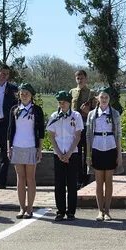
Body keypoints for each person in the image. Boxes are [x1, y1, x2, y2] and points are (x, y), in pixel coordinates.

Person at [86, 87, 123, 221]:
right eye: (101, 97)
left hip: (110, 147)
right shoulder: (92, 114)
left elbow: (118, 134)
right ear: (97, 98)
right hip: (97, 147)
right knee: (98, 182)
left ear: (109, 99)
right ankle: (99, 210)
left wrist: (119, 154)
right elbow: (88, 134)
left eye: (106, 97)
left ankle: (107, 210)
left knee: (109, 181)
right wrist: (88, 155)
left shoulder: (115, 113)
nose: (104, 100)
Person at [7, 83, 44, 219]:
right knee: (20, 178)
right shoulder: (14, 109)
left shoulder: (37, 110)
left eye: (26, 93)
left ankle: (30, 208)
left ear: (31, 95)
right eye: (22, 93)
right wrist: (8, 147)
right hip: (17, 146)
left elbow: (41, 131)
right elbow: (10, 130)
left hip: (31, 146)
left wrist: (39, 149)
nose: (24, 96)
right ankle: (21, 208)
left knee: (30, 178)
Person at [47, 91, 83, 221]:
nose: (62, 105)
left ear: (69, 102)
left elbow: (77, 136)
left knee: (72, 183)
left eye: (64, 102)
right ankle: (60, 211)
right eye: (60, 102)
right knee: (59, 183)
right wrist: (58, 152)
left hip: (71, 153)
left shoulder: (76, 116)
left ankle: (71, 211)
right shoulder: (54, 116)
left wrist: (68, 153)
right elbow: (51, 136)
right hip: (58, 154)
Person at [70, 69, 96, 188]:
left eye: (82, 78)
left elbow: (96, 112)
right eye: (78, 78)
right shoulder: (72, 92)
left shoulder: (91, 93)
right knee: (76, 153)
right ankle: (77, 178)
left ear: (86, 79)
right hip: (74, 127)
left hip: (86, 125)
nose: (80, 80)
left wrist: (88, 111)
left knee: (87, 154)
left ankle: (86, 179)